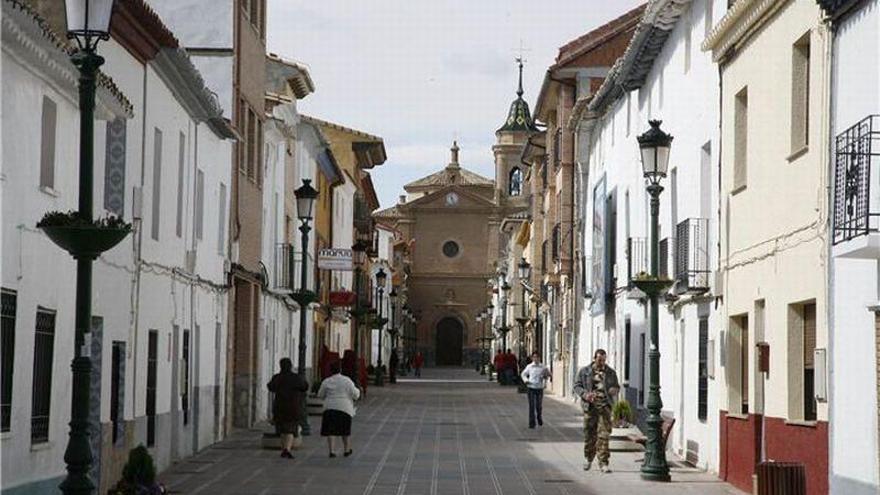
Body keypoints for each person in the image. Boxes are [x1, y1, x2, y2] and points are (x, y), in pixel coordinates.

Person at [573, 349, 620, 473]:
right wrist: (585, 395)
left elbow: (616, 386)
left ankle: (603, 463)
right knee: (589, 434)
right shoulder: (585, 372)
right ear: (594, 358)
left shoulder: (610, 372)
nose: (602, 363)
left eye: (604, 360)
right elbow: (577, 386)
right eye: (600, 360)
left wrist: (614, 390)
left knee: (604, 436)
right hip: (590, 407)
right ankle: (588, 458)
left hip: (605, 407)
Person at [266, 358, 309, 459]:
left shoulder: (277, 377)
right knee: (290, 429)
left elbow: (270, 387)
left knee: (282, 429)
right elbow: (305, 386)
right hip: (293, 407)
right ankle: (287, 449)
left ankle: (284, 448)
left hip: (280, 406)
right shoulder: (296, 378)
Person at [317, 361, 361, 458]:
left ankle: (332, 451)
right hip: (344, 408)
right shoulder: (347, 381)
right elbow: (356, 394)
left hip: (330, 408)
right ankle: (346, 450)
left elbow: (320, 394)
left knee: (331, 431)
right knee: (345, 430)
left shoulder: (326, 381)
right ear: (340, 370)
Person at [521, 352, 551, 428]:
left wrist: (545, 375)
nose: (536, 358)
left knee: (538, 405)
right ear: (532, 358)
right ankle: (532, 423)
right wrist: (526, 380)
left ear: (539, 358)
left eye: (537, 357)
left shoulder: (543, 367)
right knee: (532, 405)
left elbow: (548, 375)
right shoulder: (529, 366)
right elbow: (523, 374)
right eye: (534, 357)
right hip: (531, 387)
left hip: (539, 388)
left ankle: (539, 417)